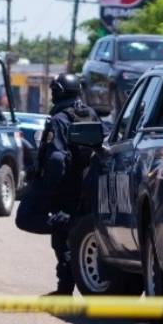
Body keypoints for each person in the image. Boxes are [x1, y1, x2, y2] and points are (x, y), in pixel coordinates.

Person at [14, 72, 101, 296]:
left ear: (58, 93)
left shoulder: (59, 120)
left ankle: (64, 289)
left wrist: (49, 188)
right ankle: (66, 289)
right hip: (87, 186)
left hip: (65, 188)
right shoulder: (90, 114)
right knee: (67, 239)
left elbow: (56, 158)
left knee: (31, 219)